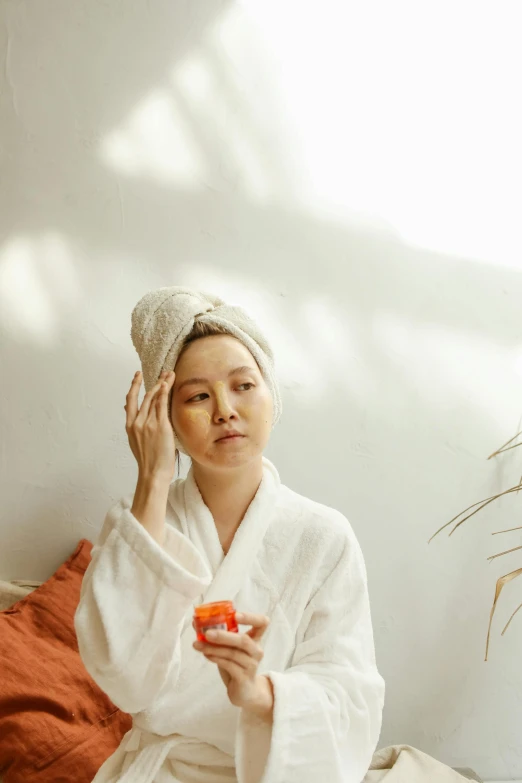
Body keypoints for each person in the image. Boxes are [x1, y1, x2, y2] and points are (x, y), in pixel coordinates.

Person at [74, 286, 385, 783]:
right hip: (161, 772)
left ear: (271, 394)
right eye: (198, 395)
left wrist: (259, 694)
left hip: (273, 769)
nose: (224, 410)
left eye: (243, 385)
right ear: (165, 417)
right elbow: (124, 684)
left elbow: (352, 696)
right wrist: (152, 479)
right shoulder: (139, 525)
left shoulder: (323, 537)